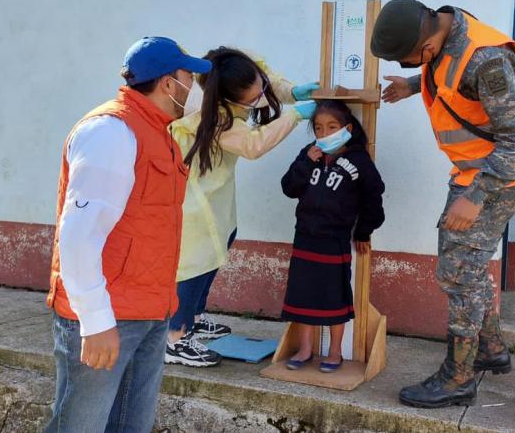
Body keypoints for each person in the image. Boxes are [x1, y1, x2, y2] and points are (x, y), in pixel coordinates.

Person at [370, 0, 515, 408]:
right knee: (467, 266)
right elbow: (449, 80)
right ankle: (491, 349)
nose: (414, 67)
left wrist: (475, 198)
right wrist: (410, 86)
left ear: (426, 46)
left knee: (457, 273)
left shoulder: (487, 61)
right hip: (470, 174)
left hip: (495, 179)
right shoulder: (445, 30)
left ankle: (458, 376)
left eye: (409, 62)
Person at [45, 37, 211, 432]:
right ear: (170, 84)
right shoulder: (112, 131)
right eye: (191, 76)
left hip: (150, 309)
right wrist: (96, 320)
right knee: (79, 426)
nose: (197, 88)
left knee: (129, 426)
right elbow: (79, 234)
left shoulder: (159, 134)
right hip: (109, 315)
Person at [168, 47, 319, 367]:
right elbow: (252, 145)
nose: (260, 100)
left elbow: (262, 85)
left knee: (221, 244)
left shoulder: (230, 72)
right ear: (227, 100)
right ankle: (175, 336)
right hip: (195, 202)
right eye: (253, 101)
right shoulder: (211, 117)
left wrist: (291, 93)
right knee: (195, 264)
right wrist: (295, 115)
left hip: (216, 195)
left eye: (260, 89)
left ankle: (193, 317)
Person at [279, 100, 385, 372]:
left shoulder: (359, 160)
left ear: (347, 128)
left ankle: (335, 351)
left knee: (333, 297)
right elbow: (289, 188)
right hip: (304, 238)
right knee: (302, 296)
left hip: (334, 240)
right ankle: (305, 349)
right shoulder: (309, 153)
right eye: (318, 128)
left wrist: (364, 231)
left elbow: (373, 198)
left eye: (332, 127)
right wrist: (305, 162)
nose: (325, 133)